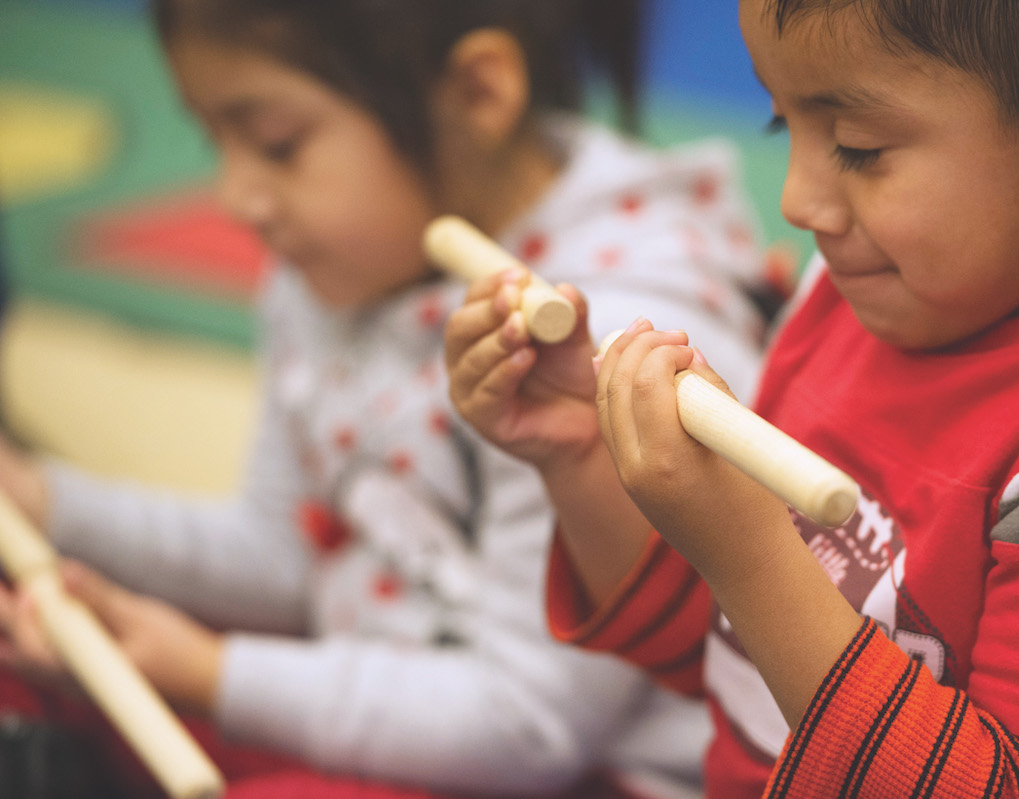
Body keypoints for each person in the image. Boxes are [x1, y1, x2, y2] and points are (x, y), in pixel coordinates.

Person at [0, 1, 772, 797]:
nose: (237, 197)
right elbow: (293, 556)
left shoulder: (592, 342)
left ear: (479, 91)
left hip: (585, 770)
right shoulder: (335, 261)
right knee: (35, 667)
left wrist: (210, 673)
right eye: (212, 138)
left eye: (276, 145)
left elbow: (528, 726)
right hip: (393, 699)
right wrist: (43, 502)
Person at [444, 0, 1019, 797]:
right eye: (781, 127)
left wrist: (753, 552)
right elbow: (726, 664)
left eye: (857, 148)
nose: (798, 201)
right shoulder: (847, 296)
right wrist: (579, 458)